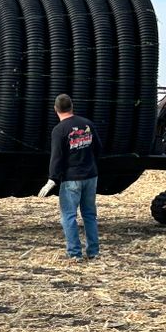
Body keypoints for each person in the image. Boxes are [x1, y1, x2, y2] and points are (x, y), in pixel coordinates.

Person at [38, 94, 102, 262]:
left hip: (71, 179)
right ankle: (93, 252)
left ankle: (75, 253)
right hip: (91, 177)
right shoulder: (88, 124)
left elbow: (57, 157)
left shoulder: (59, 130)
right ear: (72, 107)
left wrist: (52, 179)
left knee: (68, 216)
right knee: (89, 214)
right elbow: (98, 149)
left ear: (55, 109)